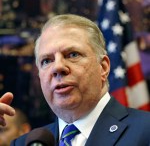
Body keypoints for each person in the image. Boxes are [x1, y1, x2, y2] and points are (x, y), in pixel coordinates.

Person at [0, 14, 150, 146]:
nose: (57, 67)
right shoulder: (24, 143)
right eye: (46, 61)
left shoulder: (145, 131)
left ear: (103, 67)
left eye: (72, 55)